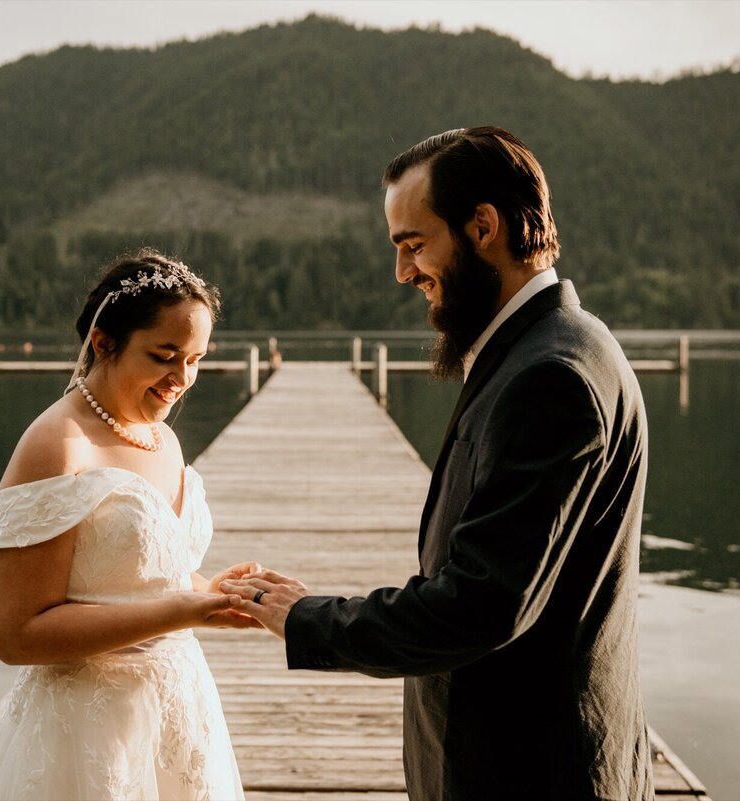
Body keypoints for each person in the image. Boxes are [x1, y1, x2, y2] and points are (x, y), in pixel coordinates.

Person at [221, 128, 654, 800]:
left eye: (413, 244)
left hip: (529, 773)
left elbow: (479, 605)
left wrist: (309, 617)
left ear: (483, 226)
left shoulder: (552, 378)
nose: (402, 271)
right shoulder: (555, 344)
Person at [0, 248, 256, 801]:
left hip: (177, 709)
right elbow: (14, 633)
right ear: (104, 342)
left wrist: (213, 593)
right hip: (84, 732)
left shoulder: (160, 436)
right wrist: (185, 611)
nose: (181, 379)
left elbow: (139, 580)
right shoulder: (56, 445)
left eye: (195, 359)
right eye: (165, 355)